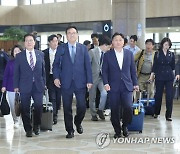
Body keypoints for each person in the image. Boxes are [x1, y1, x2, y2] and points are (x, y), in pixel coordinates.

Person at [53, 26, 92, 139]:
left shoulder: (83, 48)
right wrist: (56, 77)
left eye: (74, 33)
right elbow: (55, 65)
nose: (72, 35)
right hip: (66, 82)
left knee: (82, 106)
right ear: (66, 35)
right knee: (67, 108)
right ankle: (69, 130)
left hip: (80, 82)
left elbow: (87, 66)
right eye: (69, 33)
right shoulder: (61, 48)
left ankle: (78, 122)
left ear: (77, 35)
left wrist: (89, 80)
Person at [102, 32, 139, 138]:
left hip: (127, 85)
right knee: (114, 109)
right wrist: (106, 83)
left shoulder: (129, 54)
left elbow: (133, 70)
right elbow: (104, 71)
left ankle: (125, 126)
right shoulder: (108, 55)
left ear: (123, 42)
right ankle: (117, 130)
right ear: (112, 42)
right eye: (116, 40)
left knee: (128, 107)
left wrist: (135, 83)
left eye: (120, 40)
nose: (118, 42)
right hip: (113, 86)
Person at [14, 33, 46, 137]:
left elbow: (43, 71)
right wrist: (16, 86)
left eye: (31, 40)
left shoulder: (40, 54)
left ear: (34, 42)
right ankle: (28, 128)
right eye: (27, 40)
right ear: (24, 43)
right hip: (24, 86)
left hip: (38, 85)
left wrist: (44, 83)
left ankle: (37, 126)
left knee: (38, 106)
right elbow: (16, 72)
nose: (29, 42)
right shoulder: (19, 56)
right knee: (25, 108)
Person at [149, 37, 175, 121]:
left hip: (169, 77)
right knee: (158, 95)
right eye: (165, 44)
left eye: (168, 45)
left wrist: (175, 77)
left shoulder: (171, 54)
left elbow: (173, 67)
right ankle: (156, 112)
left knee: (169, 96)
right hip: (159, 76)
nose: (167, 46)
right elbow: (154, 66)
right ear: (162, 44)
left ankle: (168, 115)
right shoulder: (157, 54)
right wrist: (151, 76)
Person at [88, 35, 111, 121]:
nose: (109, 48)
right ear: (104, 45)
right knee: (92, 97)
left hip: (102, 78)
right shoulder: (92, 52)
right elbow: (87, 66)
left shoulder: (107, 54)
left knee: (104, 93)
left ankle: (100, 109)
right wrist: (88, 79)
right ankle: (93, 114)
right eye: (108, 47)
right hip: (92, 78)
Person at [1, 45, 23, 128]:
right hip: (11, 87)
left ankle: (23, 119)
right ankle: (15, 120)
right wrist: (4, 86)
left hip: (23, 87)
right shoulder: (10, 63)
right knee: (13, 105)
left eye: (18, 51)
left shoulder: (25, 62)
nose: (17, 53)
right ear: (12, 53)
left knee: (23, 105)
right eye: (15, 51)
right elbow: (6, 75)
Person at [43, 34, 61, 125]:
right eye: (53, 41)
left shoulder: (61, 52)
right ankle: (54, 115)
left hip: (59, 77)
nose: (55, 43)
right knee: (52, 96)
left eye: (56, 41)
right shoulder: (44, 53)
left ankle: (56, 111)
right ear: (49, 42)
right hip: (49, 77)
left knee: (58, 97)